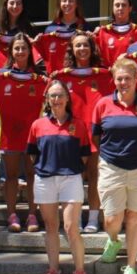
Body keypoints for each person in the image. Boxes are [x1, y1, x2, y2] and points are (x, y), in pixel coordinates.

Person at [92, 56, 137, 274]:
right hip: (111, 166)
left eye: (127, 79)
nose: (123, 83)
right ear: (113, 80)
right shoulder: (102, 104)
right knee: (112, 219)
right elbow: (97, 135)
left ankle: (131, 267)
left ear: (136, 79)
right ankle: (113, 240)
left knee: (134, 217)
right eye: (119, 79)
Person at [27, 80, 90, 274]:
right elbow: (32, 153)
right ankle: (54, 271)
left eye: (60, 95)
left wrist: (69, 168)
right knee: (51, 226)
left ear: (67, 98)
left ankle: (80, 271)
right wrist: (46, 167)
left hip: (70, 178)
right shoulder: (37, 125)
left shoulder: (78, 124)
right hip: (45, 179)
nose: (56, 100)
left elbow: (84, 155)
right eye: (52, 96)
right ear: (47, 100)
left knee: (71, 227)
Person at [52, 32, 113, 234]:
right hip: (71, 134)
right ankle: (74, 218)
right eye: (77, 46)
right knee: (72, 177)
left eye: (85, 45)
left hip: (96, 134)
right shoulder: (61, 77)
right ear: (72, 50)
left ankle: (94, 218)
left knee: (95, 176)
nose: (82, 49)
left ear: (91, 48)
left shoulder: (104, 75)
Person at [0, 33, 47, 233]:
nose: (20, 52)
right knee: (10, 176)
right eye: (17, 48)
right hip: (9, 135)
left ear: (30, 51)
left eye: (24, 48)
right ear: (11, 52)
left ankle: (32, 213)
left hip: (33, 136)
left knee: (32, 175)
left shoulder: (41, 80)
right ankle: (11, 214)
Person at [36, 0, 87, 75]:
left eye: (71, 1)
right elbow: (44, 57)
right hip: (56, 77)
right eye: (64, 1)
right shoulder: (50, 29)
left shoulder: (85, 27)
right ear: (59, 4)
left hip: (79, 76)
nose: (67, 4)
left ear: (76, 4)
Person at [95, 0, 137, 67]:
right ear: (113, 8)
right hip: (110, 77)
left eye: (124, 5)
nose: (120, 8)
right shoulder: (103, 32)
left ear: (130, 8)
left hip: (132, 76)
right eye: (117, 5)